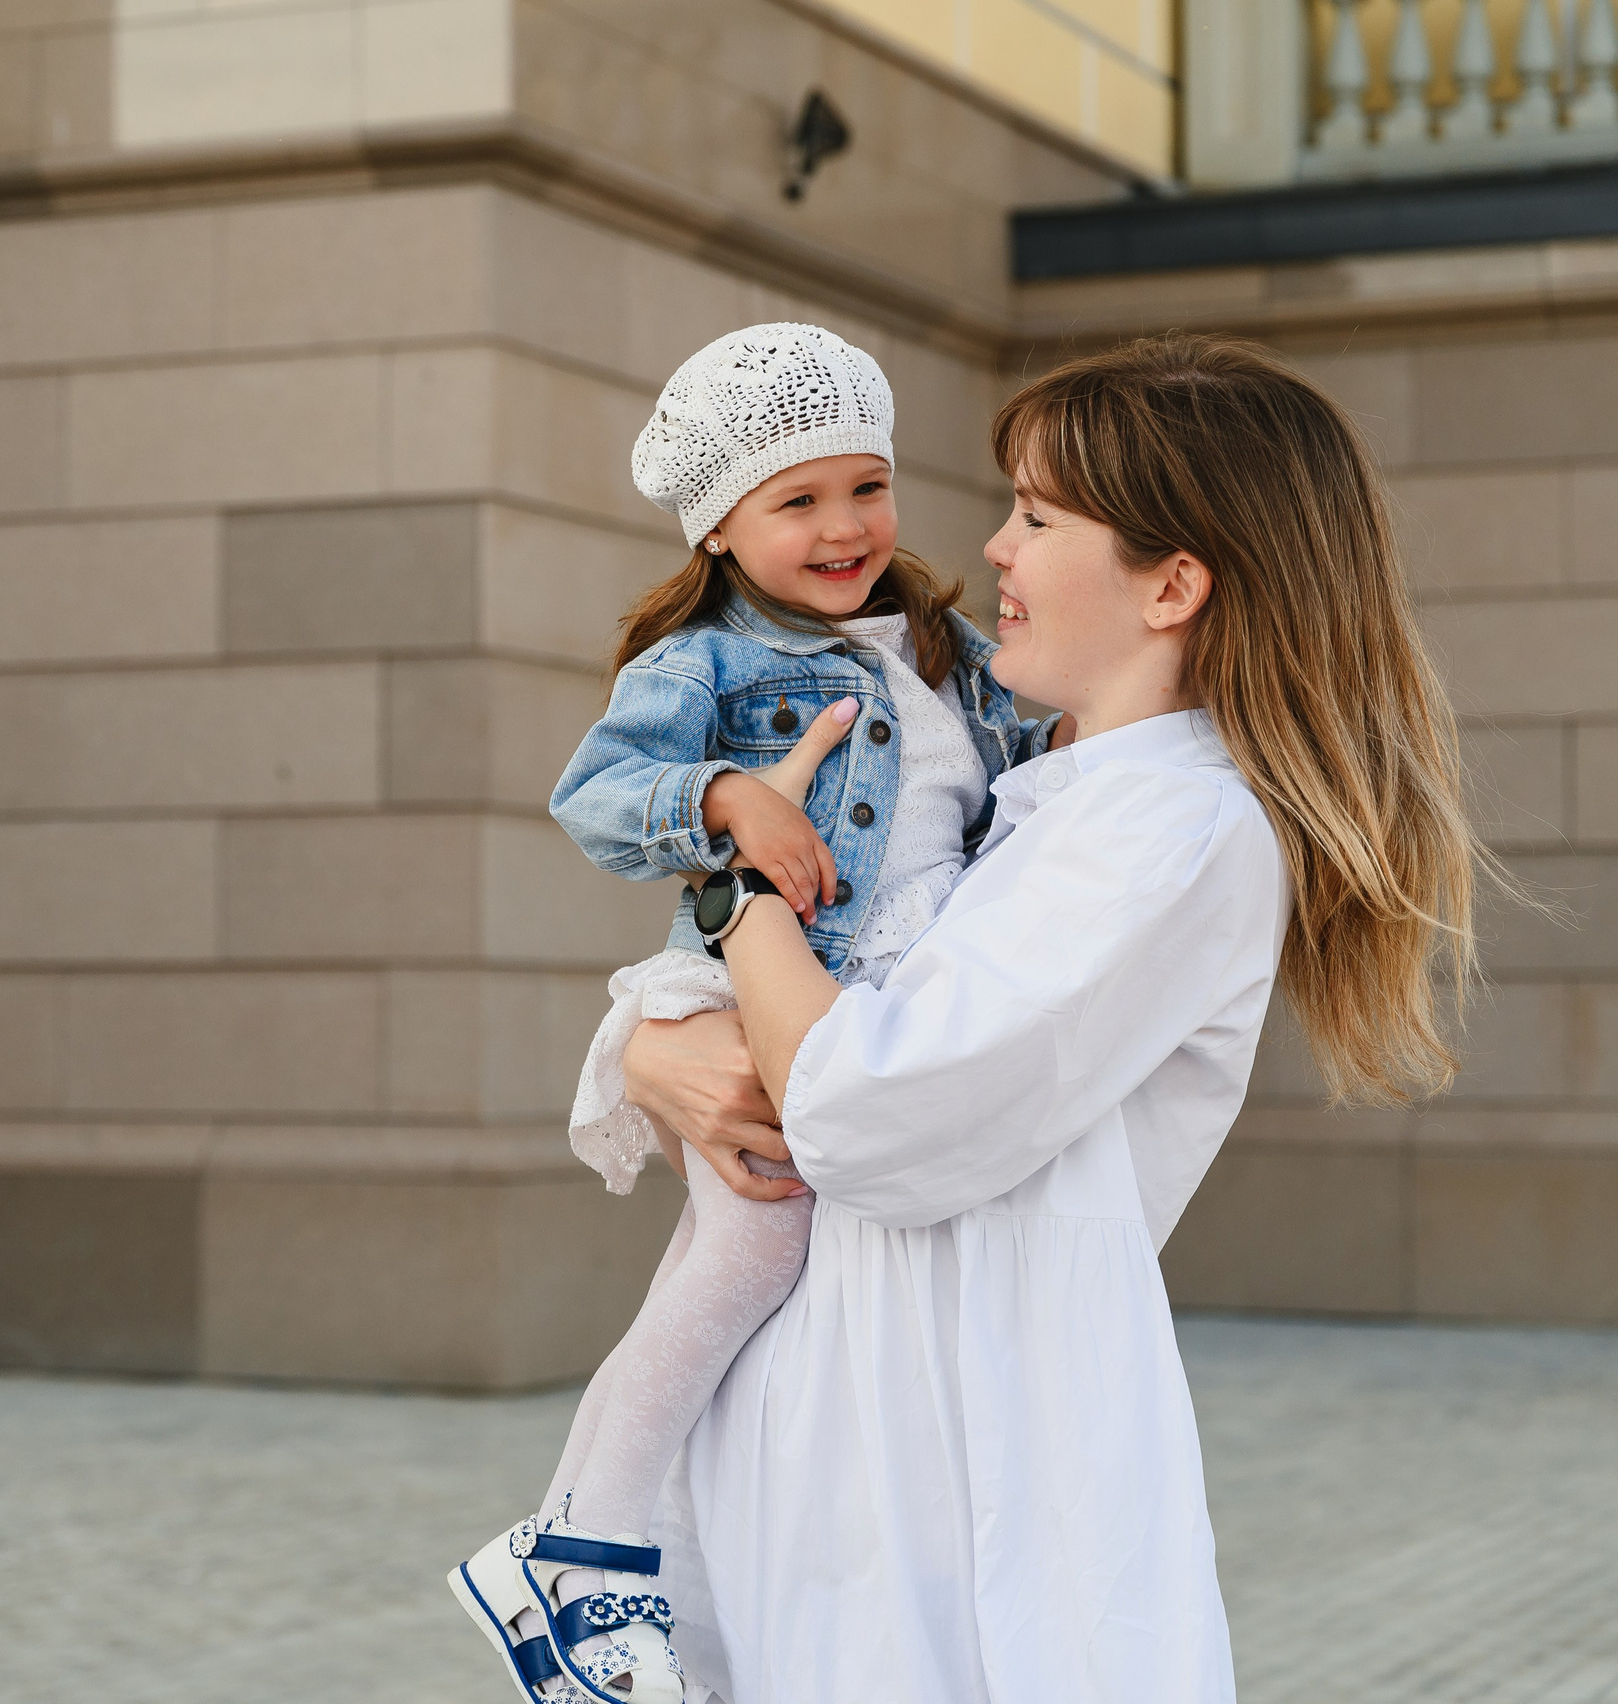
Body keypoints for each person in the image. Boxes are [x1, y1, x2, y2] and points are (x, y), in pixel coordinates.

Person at [614, 332, 1490, 1704]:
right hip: (844, 1459)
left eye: (1035, 515)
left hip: (962, 1500)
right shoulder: (1032, 805)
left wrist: (736, 891)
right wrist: (653, 1047)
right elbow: (782, 1055)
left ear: (1172, 586)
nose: (993, 550)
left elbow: (861, 1111)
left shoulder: (1175, 833)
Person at [448, 322, 1061, 1704]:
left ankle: (589, 1558)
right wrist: (726, 797)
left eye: (868, 486)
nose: (845, 527)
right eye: (798, 500)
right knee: (750, 1255)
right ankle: (585, 1551)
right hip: (754, 990)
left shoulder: (942, 643)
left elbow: (1034, 753)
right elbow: (597, 797)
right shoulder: (708, 661)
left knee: (734, 1279)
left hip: (871, 1006)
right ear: (720, 525)